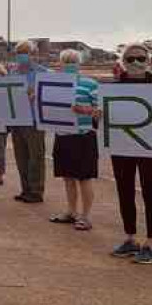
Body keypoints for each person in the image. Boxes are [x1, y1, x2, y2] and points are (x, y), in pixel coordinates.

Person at [110, 42, 152, 264]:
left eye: (141, 58)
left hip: (150, 148)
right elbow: (101, 124)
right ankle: (130, 238)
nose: (136, 62)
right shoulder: (113, 88)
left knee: (150, 193)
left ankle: (150, 243)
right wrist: (98, 117)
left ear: (148, 61)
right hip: (121, 148)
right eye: (131, 59)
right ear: (123, 62)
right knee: (124, 191)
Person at [49, 50, 99, 230]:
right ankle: (71, 211)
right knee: (68, 177)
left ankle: (85, 216)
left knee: (84, 178)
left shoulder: (90, 84)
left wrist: (84, 110)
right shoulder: (54, 85)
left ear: (78, 63)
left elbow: (99, 111)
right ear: (60, 63)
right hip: (63, 135)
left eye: (72, 61)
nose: (68, 64)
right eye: (65, 61)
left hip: (83, 136)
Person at [10, 40, 48, 203]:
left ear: (33, 55)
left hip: (34, 120)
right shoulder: (13, 73)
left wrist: (36, 94)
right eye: (19, 53)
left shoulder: (43, 73)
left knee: (36, 157)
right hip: (17, 120)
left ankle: (36, 190)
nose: (21, 56)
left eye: (25, 53)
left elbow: (51, 94)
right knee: (21, 157)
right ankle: (25, 189)